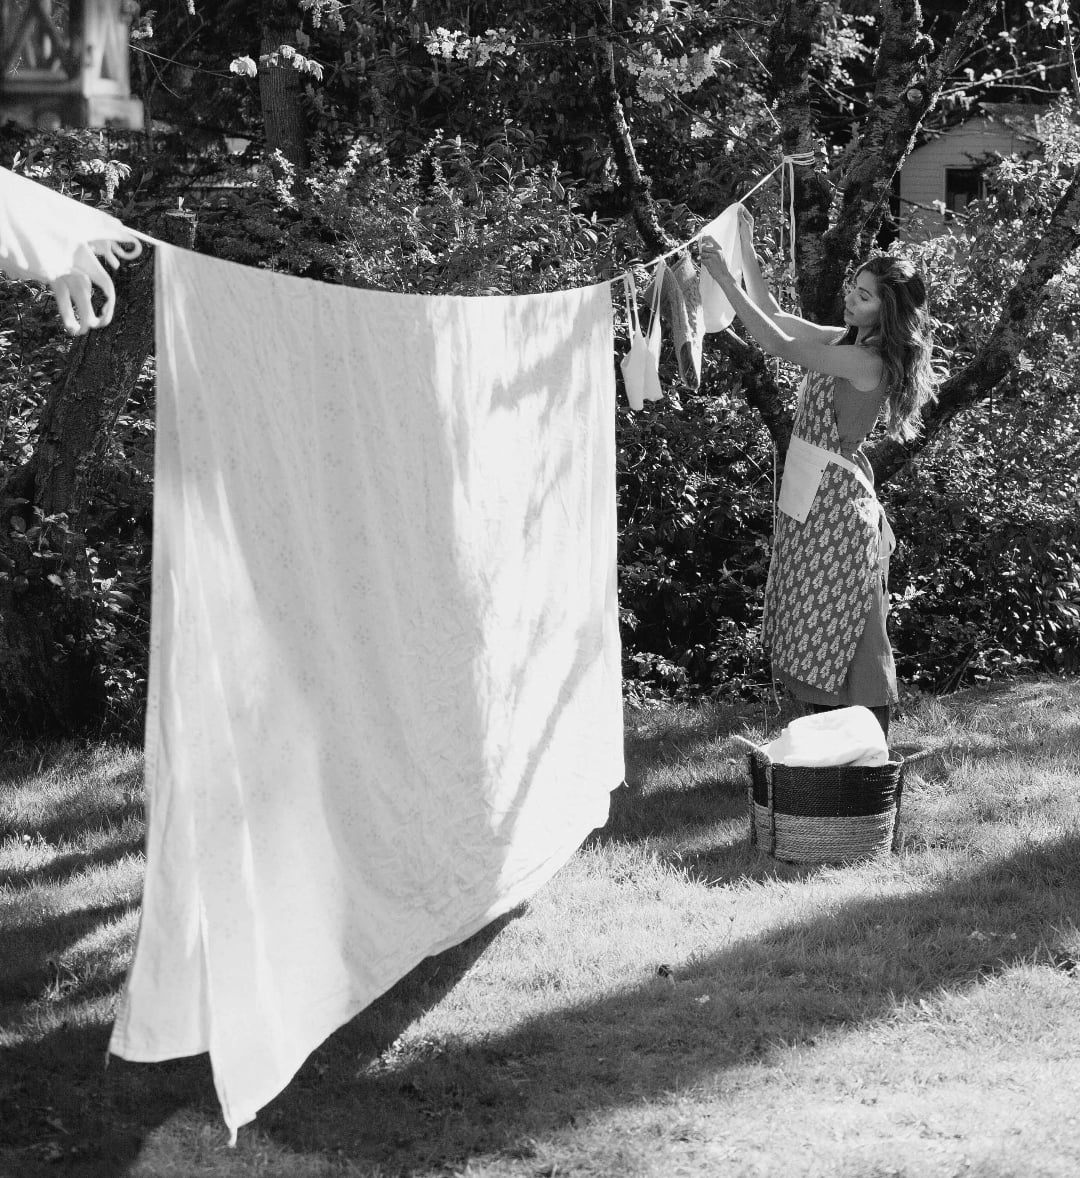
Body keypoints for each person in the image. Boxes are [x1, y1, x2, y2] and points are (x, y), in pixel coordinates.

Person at [699, 209, 936, 736]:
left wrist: (720, 278)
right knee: (815, 618)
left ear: (888, 311)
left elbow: (779, 346)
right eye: (854, 287)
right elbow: (777, 316)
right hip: (813, 497)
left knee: (847, 621)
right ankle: (829, 745)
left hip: (835, 506)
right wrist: (748, 254)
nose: (852, 297)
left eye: (865, 295)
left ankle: (863, 744)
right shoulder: (846, 342)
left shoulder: (867, 362)